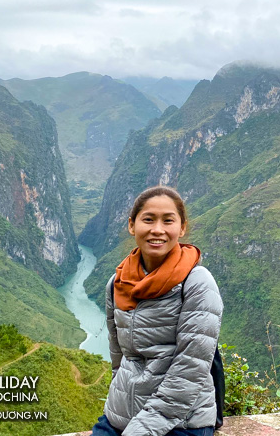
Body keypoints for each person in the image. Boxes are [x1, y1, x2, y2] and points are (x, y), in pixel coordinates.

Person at [91, 186, 223, 436]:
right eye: (148, 219)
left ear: (181, 228)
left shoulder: (197, 282)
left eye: (168, 220)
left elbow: (191, 369)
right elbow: (119, 358)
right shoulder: (117, 283)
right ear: (132, 225)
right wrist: (122, 411)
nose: (157, 230)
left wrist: (142, 429)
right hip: (122, 416)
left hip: (182, 421)